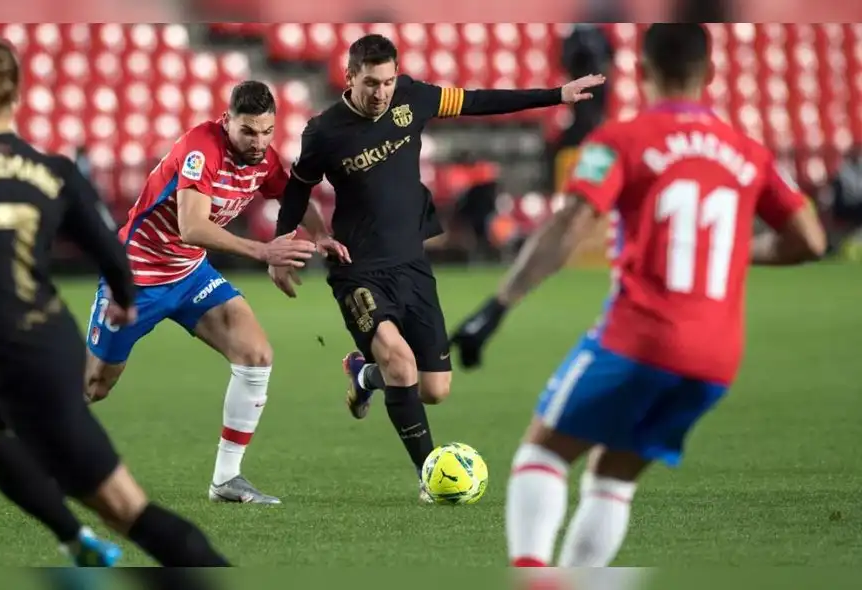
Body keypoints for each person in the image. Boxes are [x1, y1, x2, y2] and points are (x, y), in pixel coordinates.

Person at [449, 23, 827, 568]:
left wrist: (499, 304)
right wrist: (735, 255)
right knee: (612, 476)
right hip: (717, 360)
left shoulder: (622, 140)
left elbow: (573, 222)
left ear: (642, 72)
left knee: (544, 452)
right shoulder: (748, 152)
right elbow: (811, 240)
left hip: (641, 337)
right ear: (712, 73)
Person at [0, 37, 229, 572]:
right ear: (19, 93)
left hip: (20, 359)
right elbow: (112, 252)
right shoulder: (54, 169)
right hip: (44, 338)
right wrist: (124, 300)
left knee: (128, 507)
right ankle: (75, 540)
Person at [272, 33, 604, 501]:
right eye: (371, 82)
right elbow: (296, 188)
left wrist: (557, 95)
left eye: (387, 81)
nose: (381, 92)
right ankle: (430, 477)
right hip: (357, 269)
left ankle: (363, 375)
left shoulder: (413, 97)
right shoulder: (323, 132)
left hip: (412, 264)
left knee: (434, 389)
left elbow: (478, 101)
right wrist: (284, 247)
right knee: (400, 361)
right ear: (349, 78)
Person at [83, 80, 348, 505]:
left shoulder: (263, 159)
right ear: (227, 122)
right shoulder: (200, 149)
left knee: (257, 355)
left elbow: (292, 197)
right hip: (137, 277)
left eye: (266, 131)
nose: (259, 142)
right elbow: (192, 227)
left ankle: (226, 479)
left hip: (189, 275)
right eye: (249, 131)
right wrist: (263, 249)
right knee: (94, 386)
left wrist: (322, 236)